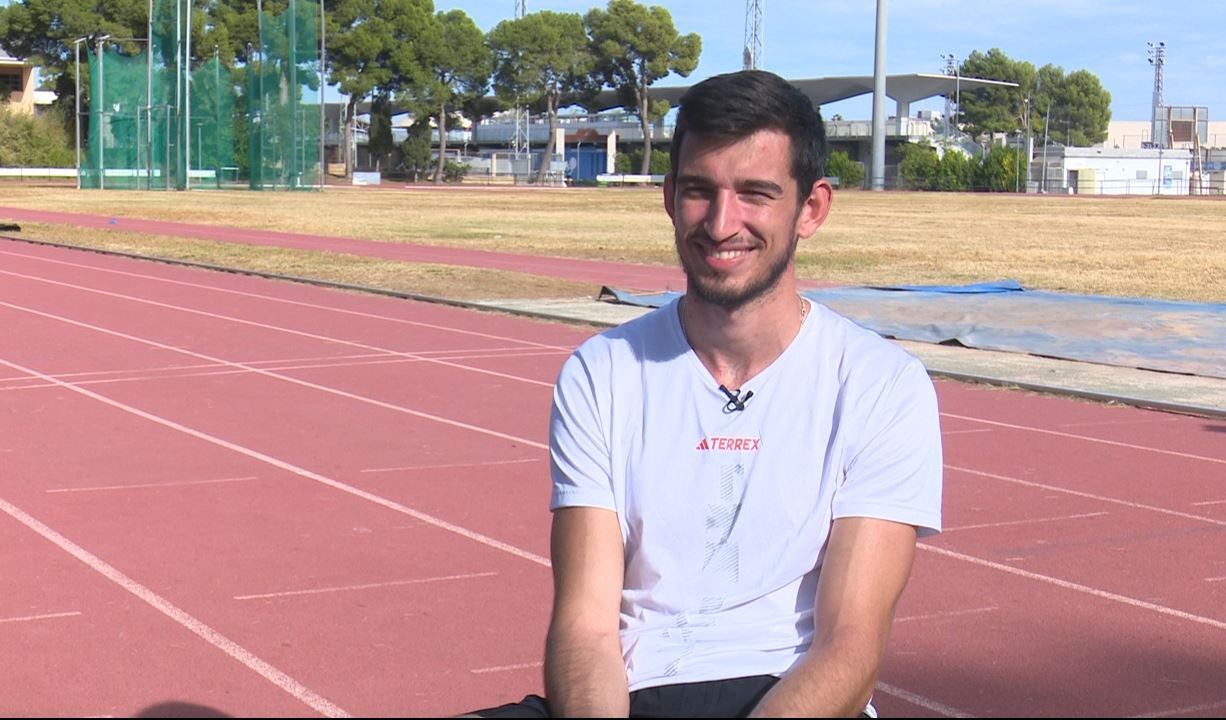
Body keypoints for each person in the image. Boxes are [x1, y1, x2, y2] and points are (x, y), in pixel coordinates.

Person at [468, 69, 943, 718]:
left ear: (812, 209)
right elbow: (585, 629)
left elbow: (849, 650)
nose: (722, 224)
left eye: (755, 193)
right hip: (630, 697)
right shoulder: (602, 372)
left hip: (788, 696)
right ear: (668, 197)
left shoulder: (881, 385)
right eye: (699, 191)